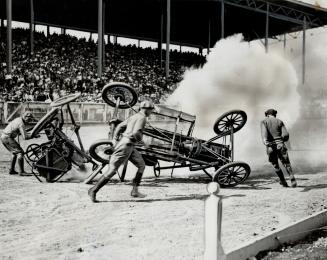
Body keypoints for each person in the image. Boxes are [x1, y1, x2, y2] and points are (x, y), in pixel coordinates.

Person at [88, 100, 155, 202]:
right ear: (146, 110)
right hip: (126, 145)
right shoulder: (142, 118)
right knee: (112, 170)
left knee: (141, 165)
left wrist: (115, 139)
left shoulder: (134, 116)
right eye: (151, 110)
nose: (151, 112)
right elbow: (136, 132)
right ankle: (93, 190)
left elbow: (119, 126)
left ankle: (135, 191)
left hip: (129, 145)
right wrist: (143, 143)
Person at [260, 109, 297, 188]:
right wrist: (281, 140)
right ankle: (292, 177)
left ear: (267, 114)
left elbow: (264, 133)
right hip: (280, 144)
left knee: (275, 165)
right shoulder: (280, 121)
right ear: (275, 114)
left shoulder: (264, 122)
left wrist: (265, 141)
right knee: (286, 163)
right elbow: (286, 135)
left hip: (270, 146)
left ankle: (283, 181)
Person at [1, 111, 38, 176]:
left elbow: (20, 132)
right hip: (7, 137)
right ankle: (21, 171)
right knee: (20, 152)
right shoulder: (21, 124)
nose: (29, 121)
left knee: (14, 152)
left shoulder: (18, 119)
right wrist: (33, 136)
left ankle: (11, 170)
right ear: (25, 117)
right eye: (29, 119)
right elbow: (25, 137)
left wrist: (29, 132)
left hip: (3, 137)